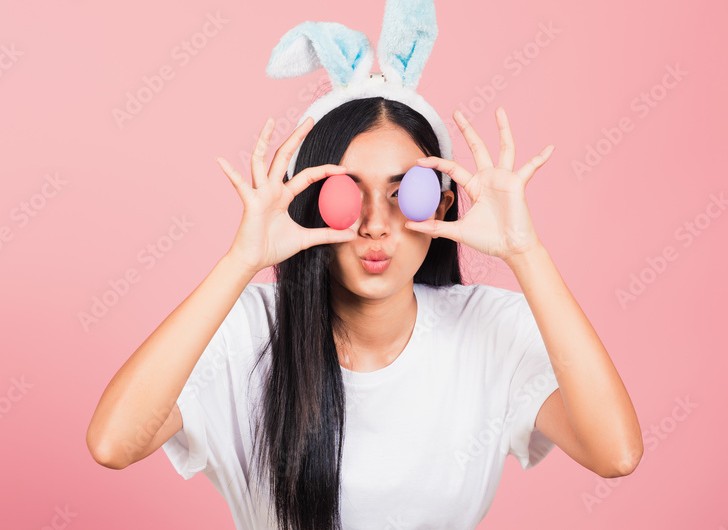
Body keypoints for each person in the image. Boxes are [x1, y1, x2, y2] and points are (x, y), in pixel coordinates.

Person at [86, 98, 642, 530]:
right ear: (312, 203)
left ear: (443, 205)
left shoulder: (490, 328)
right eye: (347, 194)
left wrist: (527, 252)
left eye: (408, 194)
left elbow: (615, 454)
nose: (377, 225)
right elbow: (114, 444)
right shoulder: (246, 332)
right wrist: (240, 261)